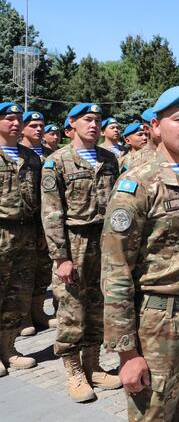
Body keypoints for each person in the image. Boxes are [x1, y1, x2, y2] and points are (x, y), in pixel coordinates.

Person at [101, 86, 179, 421]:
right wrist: (126, 352)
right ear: (156, 127)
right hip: (159, 325)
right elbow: (116, 270)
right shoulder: (138, 185)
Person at [41, 102, 122, 402]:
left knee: (99, 305)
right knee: (71, 307)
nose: (94, 124)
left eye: (98, 120)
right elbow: (51, 213)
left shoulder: (109, 159)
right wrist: (61, 257)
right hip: (74, 241)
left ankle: (93, 364)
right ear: (71, 126)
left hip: (104, 240)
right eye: (87, 119)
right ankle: (74, 371)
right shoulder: (57, 162)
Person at [0, 102, 41, 376]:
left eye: (18, 119)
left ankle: (8, 348)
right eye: (9, 118)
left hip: (26, 233)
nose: (16, 123)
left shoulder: (31, 158)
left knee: (18, 294)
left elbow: (40, 199)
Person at [18, 110, 58, 335]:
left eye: (41, 125)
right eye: (33, 125)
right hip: (22, 222)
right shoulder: (19, 155)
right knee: (21, 273)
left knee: (42, 269)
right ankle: (23, 316)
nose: (39, 129)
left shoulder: (51, 155)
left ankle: (38, 311)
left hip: (45, 220)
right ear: (23, 128)